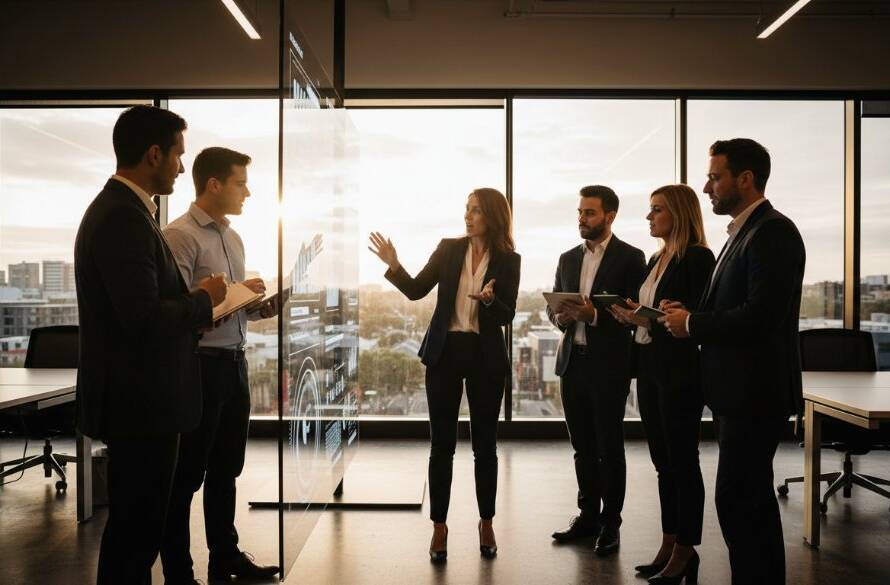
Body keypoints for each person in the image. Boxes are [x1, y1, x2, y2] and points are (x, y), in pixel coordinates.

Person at [74, 105, 227, 585]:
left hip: (143, 402)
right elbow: (141, 319)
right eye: (178, 156)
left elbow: (141, 312)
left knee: (135, 534)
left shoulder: (127, 212)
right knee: (134, 538)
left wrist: (192, 313)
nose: (183, 167)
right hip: (142, 405)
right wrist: (202, 301)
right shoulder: (123, 218)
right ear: (153, 154)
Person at [659, 139, 805, 585]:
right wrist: (683, 312)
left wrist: (694, 324)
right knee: (741, 503)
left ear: (745, 179)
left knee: (744, 504)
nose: (707, 187)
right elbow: (734, 304)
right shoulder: (743, 232)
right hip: (735, 392)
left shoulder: (772, 231)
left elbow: (761, 316)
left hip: (753, 393)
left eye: (715, 177)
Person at [368, 188, 520, 562]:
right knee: (442, 446)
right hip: (445, 353)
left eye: (476, 211)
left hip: (485, 356)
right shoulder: (449, 249)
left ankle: (486, 522)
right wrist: (393, 263)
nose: (468, 217)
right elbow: (417, 290)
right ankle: (439, 526)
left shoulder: (509, 260)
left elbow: (507, 314)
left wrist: (490, 302)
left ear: (493, 217)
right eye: (466, 210)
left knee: (486, 446)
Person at [160, 147, 279, 584]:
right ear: (214, 184)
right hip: (200, 368)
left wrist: (261, 306)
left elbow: (232, 308)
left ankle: (225, 558)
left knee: (226, 469)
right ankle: (179, 573)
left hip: (234, 364)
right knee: (187, 476)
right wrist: (227, 296)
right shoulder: (180, 236)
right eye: (240, 183)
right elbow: (177, 311)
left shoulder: (232, 237)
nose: (247, 192)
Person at [609, 184, 715, 583]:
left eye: (657, 210)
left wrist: (668, 314)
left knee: (683, 463)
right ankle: (670, 542)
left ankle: (687, 549)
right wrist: (634, 314)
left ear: (679, 214)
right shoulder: (657, 257)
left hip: (680, 371)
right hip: (651, 367)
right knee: (663, 464)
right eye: (649, 209)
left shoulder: (698, 257)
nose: (649, 217)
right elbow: (657, 315)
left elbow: (700, 315)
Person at [548, 185, 647, 556]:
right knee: (582, 447)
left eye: (589, 213)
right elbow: (553, 305)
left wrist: (593, 315)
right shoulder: (567, 258)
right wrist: (558, 314)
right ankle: (587, 516)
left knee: (609, 447)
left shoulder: (631, 258)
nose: (582, 219)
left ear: (609, 216)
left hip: (609, 365)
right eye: (579, 213)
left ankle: (611, 523)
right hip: (573, 362)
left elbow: (635, 314)